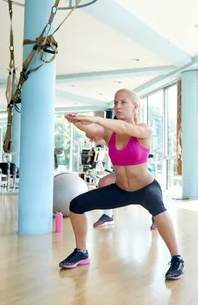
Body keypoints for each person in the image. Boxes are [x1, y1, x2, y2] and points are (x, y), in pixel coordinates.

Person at [58, 88, 184, 280]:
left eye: (123, 102)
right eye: (115, 102)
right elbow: (93, 130)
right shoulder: (109, 133)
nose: (117, 106)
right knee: (76, 205)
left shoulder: (144, 130)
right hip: (121, 190)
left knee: (159, 210)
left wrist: (96, 119)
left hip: (145, 189)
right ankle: (81, 252)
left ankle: (177, 259)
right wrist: (78, 123)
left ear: (135, 106)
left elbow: (124, 128)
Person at [93, 156, 159, 231]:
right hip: (122, 169)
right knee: (104, 182)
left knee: (148, 191)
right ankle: (108, 215)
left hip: (141, 168)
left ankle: (156, 215)